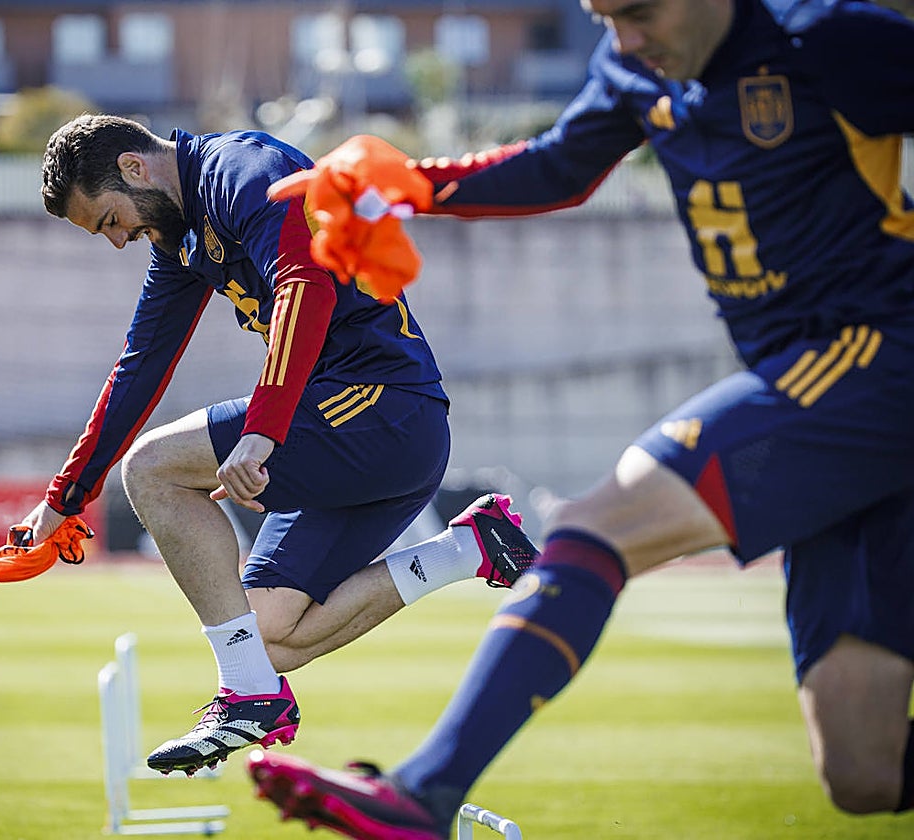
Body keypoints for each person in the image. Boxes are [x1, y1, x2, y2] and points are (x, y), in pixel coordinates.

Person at [247, 0, 914, 834]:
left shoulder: (829, 37)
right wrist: (412, 183)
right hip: (820, 399)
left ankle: (424, 794)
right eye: (604, 19)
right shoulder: (636, 66)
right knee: (861, 767)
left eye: (638, 14)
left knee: (593, 529)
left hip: (881, 358)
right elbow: (560, 166)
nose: (624, 39)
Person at [16, 115, 539, 776]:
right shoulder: (180, 238)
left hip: (384, 410)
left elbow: (303, 285)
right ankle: (470, 547)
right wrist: (64, 498)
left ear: (133, 167)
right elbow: (139, 364)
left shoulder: (242, 170)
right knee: (266, 632)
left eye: (109, 221)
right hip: (360, 429)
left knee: (150, 471)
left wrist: (262, 431)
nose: (118, 241)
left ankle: (247, 697)